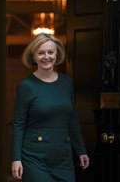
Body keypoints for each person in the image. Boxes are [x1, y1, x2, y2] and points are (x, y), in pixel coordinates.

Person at [11, 33, 90, 181]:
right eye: (40, 53)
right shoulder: (26, 86)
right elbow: (18, 124)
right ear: (34, 56)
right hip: (34, 158)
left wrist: (81, 150)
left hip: (63, 158)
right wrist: (16, 158)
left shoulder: (66, 83)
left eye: (50, 52)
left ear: (57, 54)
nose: (46, 56)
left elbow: (72, 119)